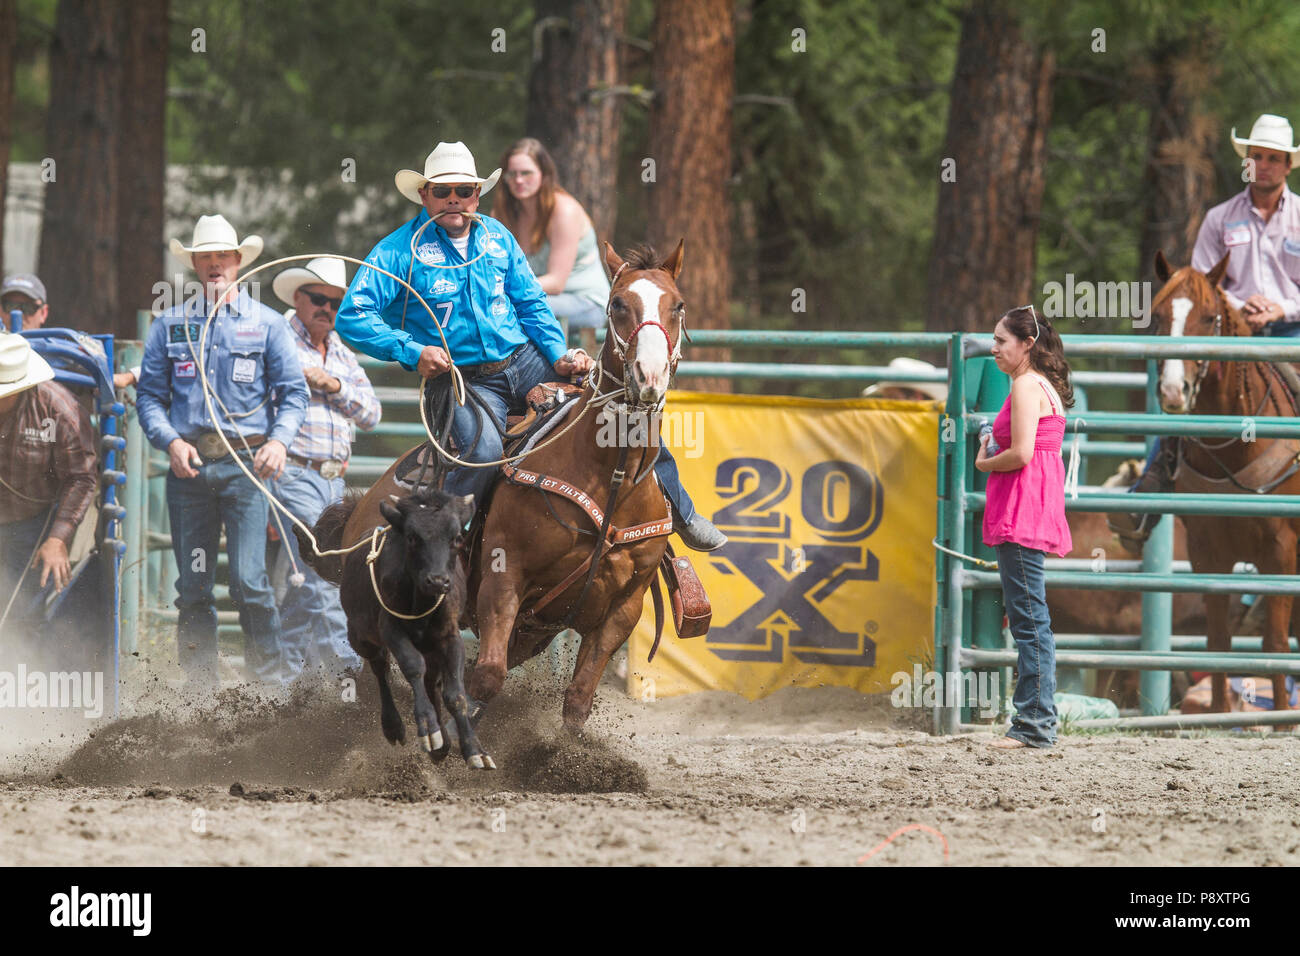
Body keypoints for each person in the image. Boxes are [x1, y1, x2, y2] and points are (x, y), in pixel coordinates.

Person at [336, 140, 726, 551]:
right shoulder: (398, 251)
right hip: (461, 379)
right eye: (442, 191)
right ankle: (454, 543)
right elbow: (353, 316)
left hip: (524, 362)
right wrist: (413, 351)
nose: (454, 200)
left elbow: (532, 304)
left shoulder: (497, 239)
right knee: (483, 449)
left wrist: (557, 353)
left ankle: (681, 512)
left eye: (464, 191)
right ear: (424, 195)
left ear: (477, 194)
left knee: (619, 410)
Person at [136, 214, 310, 691]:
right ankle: (199, 696)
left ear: (238, 262)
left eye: (223, 257)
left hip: (247, 467)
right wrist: (169, 441)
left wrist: (278, 441)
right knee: (192, 588)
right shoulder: (170, 324)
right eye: (206, 257)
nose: (215, 265)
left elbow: (294, 394)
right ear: (194, 264)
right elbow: (149, 395)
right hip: (189, 467)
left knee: (250, 583)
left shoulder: (268, 325)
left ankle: (267, 692)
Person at [1114, 113, 1300, 549]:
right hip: (1231, 334)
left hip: (1291, 331)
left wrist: (1278, 308)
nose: (1265, 165)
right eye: (1257, 157)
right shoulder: (1220, 219)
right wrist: (1240, 309)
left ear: (1288, 165)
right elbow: (1201, 286)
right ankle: (1148, 496)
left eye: (1274, 158)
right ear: (1247, 162)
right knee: (1186, 397)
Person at [270, 256, 379, 684]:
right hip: (291, 471)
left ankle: (281, 684)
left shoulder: (341, 354)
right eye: (318, 299)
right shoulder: (279, 341)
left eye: (335, 303)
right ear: (298, 298)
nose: (326, 309)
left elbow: (371, 413)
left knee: (304, 581)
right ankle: (353, 673)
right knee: (324, 575)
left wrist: (331, 385)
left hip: (332, 479)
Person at [974, 305, 1073, 750]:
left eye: (1001, 341)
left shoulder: (1025, 385)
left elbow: (1022, 455)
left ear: (1027, 344)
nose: (993, 348)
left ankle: (1033, 725)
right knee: (1033, 619)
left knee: (1030, 622)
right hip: (1032, 507)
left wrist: (983, 461)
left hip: (1020, 509)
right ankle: (1037, 720)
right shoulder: (1043, 385)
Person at [0, 332, 98, 629]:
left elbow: (81, 477)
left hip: (31, 522)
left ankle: (23, 669)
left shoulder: (59, 409)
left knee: (23, 609)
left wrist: (57, 539)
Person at [494, 138, 609, 351]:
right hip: (534, 296)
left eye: (526, 173)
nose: (519, 180)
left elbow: (556, 282)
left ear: (544, 174)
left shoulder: (563, 210)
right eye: (512, 174)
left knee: (507, 309)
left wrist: (502, 290)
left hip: (585, 302)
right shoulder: (504, 214)